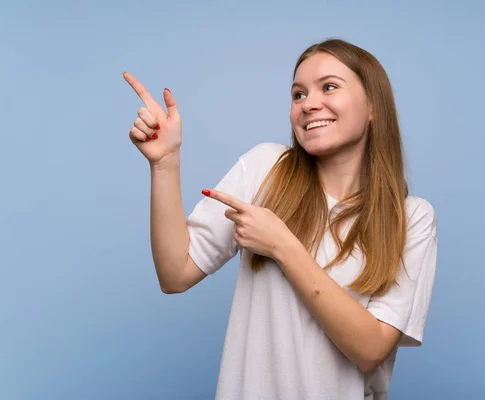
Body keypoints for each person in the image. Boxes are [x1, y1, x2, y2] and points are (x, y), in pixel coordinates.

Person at [123, 38, 438, 400]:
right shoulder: (266, 169)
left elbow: (370, 351)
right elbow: (175, 274)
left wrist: (283, 246)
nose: (309, 104)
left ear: (373, 106)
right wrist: (164, 163)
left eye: (329, 87)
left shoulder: (412, 218)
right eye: (298, 94)